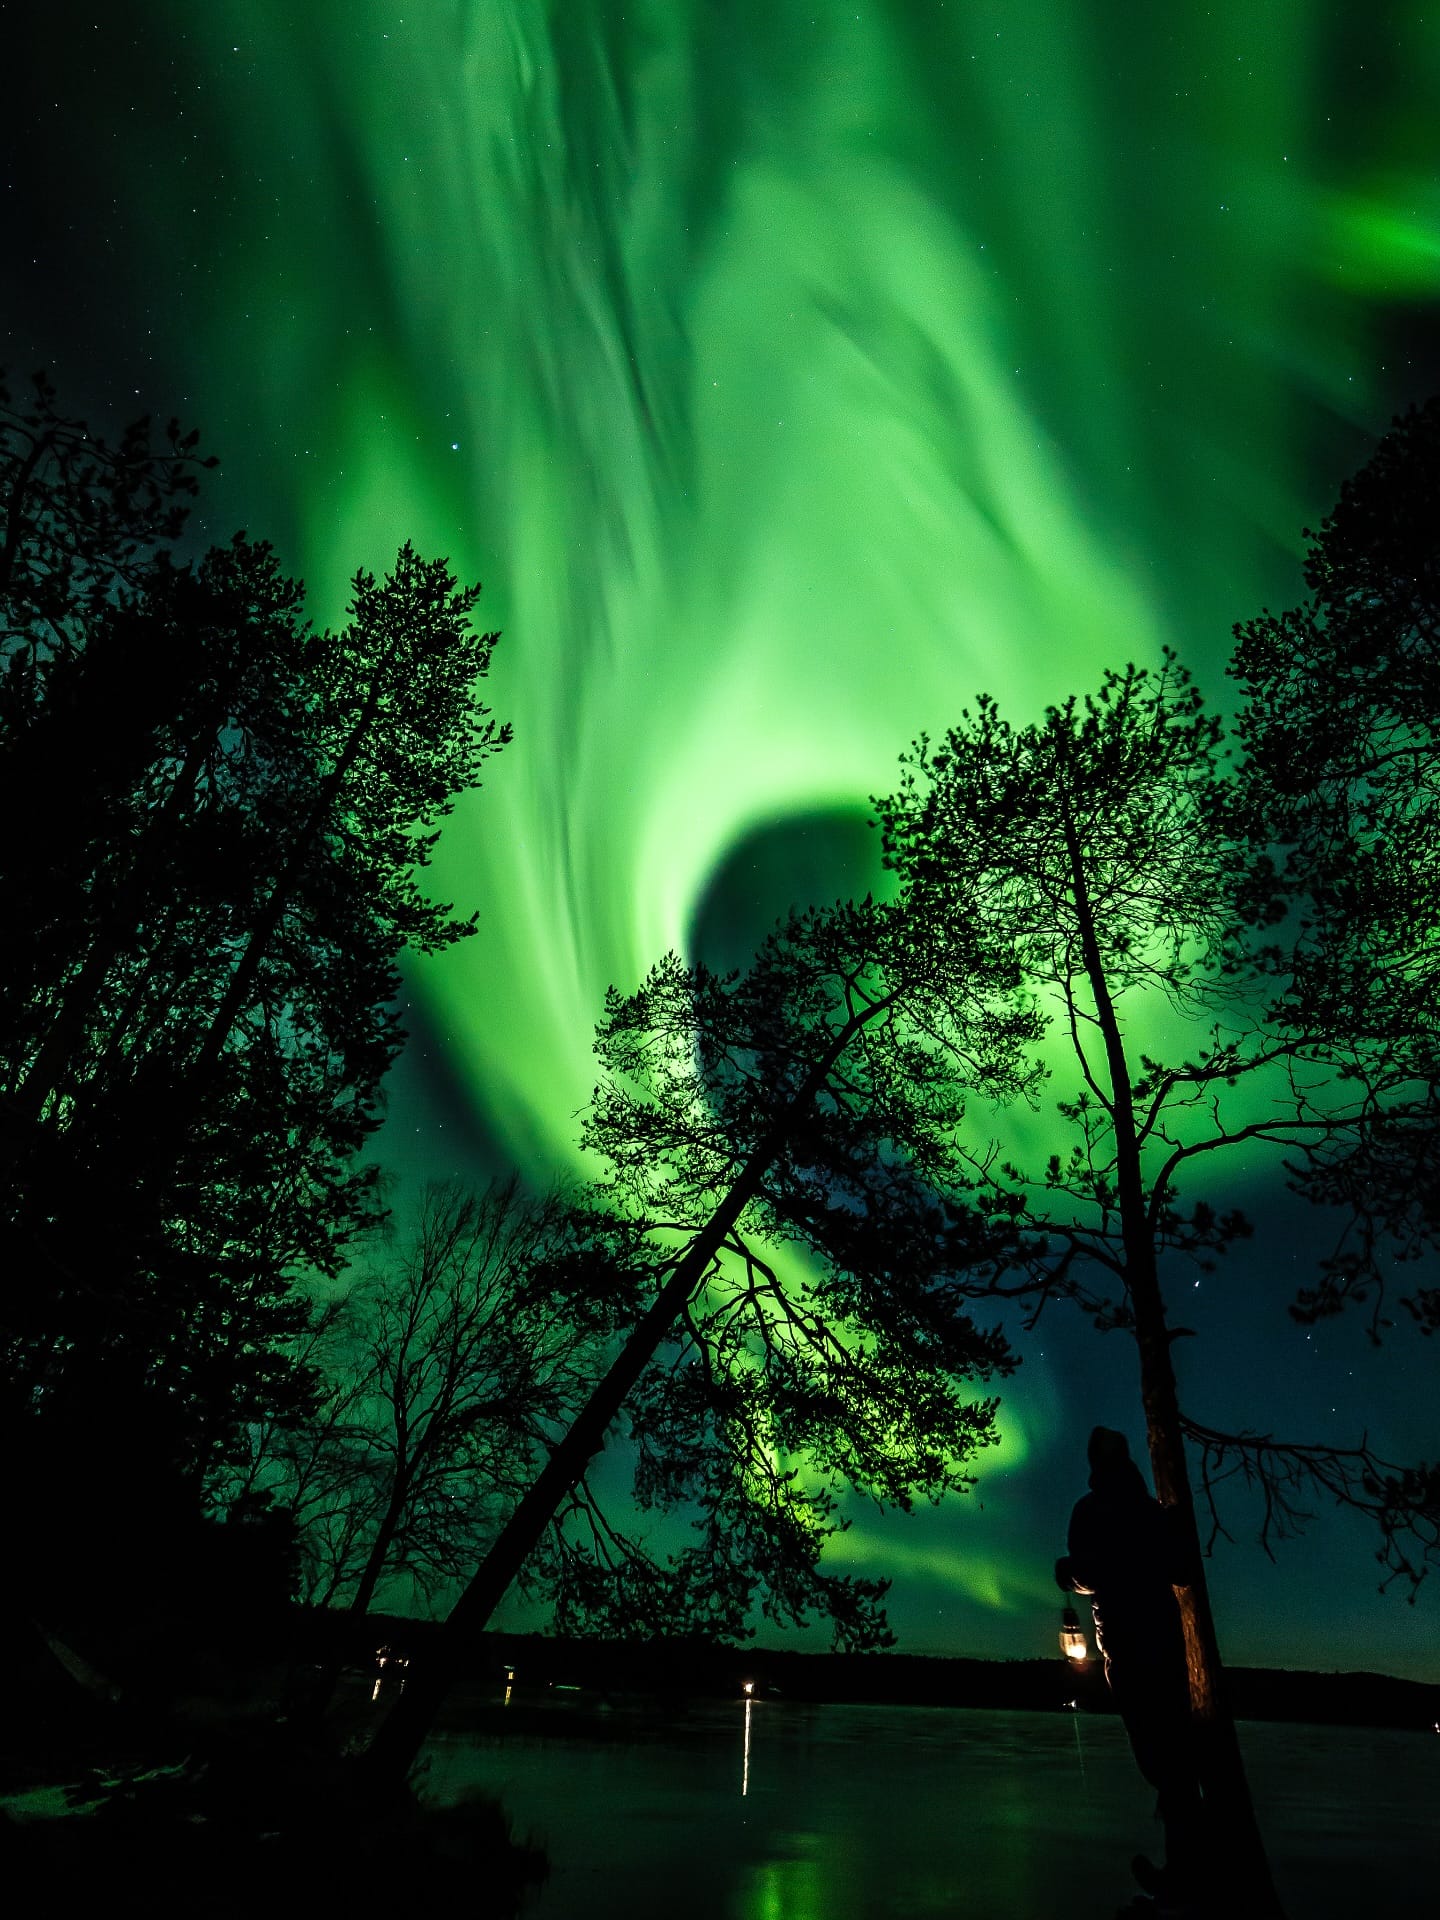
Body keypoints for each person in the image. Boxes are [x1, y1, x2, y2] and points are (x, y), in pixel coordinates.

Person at [1055, 1426, 1207, 1912]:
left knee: (1159, 1757)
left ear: (1095, 1464)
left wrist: (1066, 1572)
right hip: (1162, 1637)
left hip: (1125, 1640)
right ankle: (1184, 1869)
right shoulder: (1151, 1511)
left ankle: (1185, 1875)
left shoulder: (1092, 1510)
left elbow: (1089, 1571)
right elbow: (1180, 1569)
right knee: (1173, 1756)